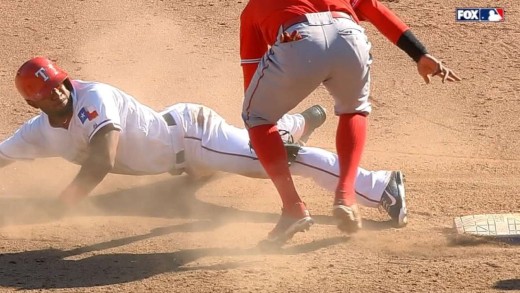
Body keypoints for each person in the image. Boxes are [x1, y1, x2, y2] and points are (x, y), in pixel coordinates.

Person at [1, 57, 406, 233]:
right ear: (32, 100)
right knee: (259, 145)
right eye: (46, 91)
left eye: (58, 84)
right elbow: (2, 155)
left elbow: (102, 157)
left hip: (193, 138)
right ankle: (297, 123)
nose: (57, 93)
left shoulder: (94, 99)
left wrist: (64, 203)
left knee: (270, 161)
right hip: (181, 156)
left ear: (66, 80)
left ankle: (379, 185)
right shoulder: (38, 132)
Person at [239, 0, 461, 242]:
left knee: (257, 116)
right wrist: (419, 53)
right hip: (349, 35)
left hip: (298, 39)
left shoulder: (252, 9)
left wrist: (262, 131)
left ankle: (293, 207)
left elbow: (253, 73)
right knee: (353, 110)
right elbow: (373, 8)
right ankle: (346, 195)